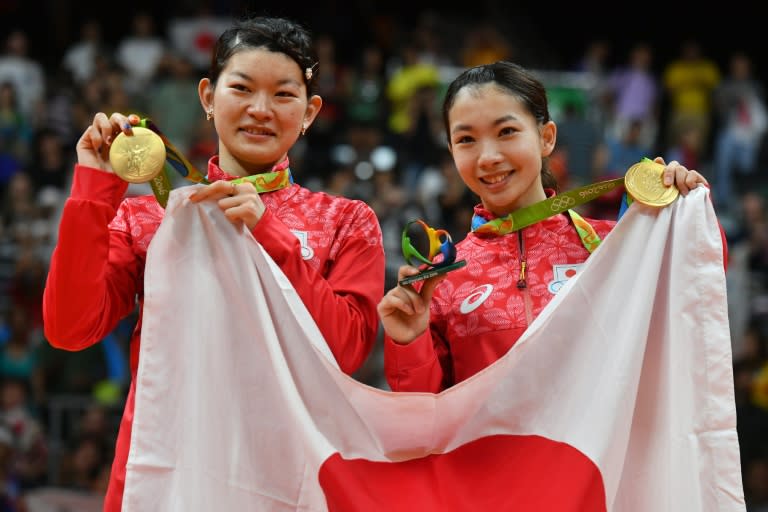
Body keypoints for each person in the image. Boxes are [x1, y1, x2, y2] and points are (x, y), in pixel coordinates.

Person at [42, 16, 385, 511]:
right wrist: (97, 190)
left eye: (284, 95)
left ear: (310, 111)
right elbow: (68, 328)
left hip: (289, 482)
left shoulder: (346, 221)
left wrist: (270, 234)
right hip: (162, 480)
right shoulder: (150, 219)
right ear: (208, 96)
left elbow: (346, 351)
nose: (260, 110)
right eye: (241, 88)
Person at [378, 60, 714, 393]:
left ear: (546, 138)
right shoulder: (442, 281)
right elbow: (424, 418)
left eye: (506, 132)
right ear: (451, 150)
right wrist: (409, 341)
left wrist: (686, 209)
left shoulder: (610, 248)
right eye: (467, 139)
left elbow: (699, 283)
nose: (488, 156)